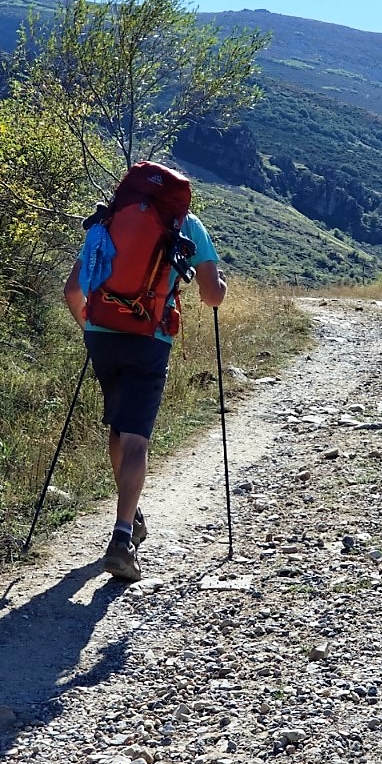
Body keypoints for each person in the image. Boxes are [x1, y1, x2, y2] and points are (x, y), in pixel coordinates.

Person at [63, 203, 226, 582]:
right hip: (148, 339)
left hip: (102, 337)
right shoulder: (185, 223)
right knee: (136, 437)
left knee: (120, 426)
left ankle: (132, 518)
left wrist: (93, 330)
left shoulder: (108, 218)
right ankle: (122, 540)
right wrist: (222, 284)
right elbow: (212, 297)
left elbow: (72, 290)